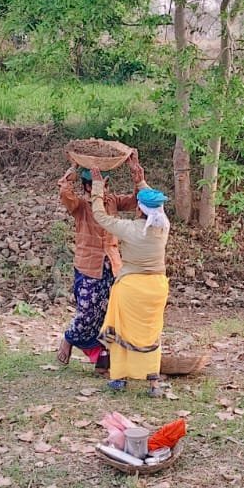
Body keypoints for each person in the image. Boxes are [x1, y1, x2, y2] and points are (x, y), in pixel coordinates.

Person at [56, 154, 141, 368]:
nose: (101, 188)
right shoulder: (81, 206)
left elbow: (137, 201)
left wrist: (136, 173)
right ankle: (69, 338)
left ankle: (103, 359)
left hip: (111, 266)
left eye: (104, 183)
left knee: (109, 313)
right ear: (86, 186)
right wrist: (72, 169)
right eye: (95, 184)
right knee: (86, 312)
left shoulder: (111, 202)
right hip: (88, 265)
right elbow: (65, 193)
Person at [90, 171, 170, 395]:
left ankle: (119, 378)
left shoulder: (129, 229)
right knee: (151, 333)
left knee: (122, 332)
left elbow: (100, 216)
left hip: (130, 287)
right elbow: (150, 201)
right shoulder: (164, 228)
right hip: (156, 288)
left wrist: (97, 187)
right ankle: (153, 382)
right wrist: (139, 178)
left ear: (138, 209)